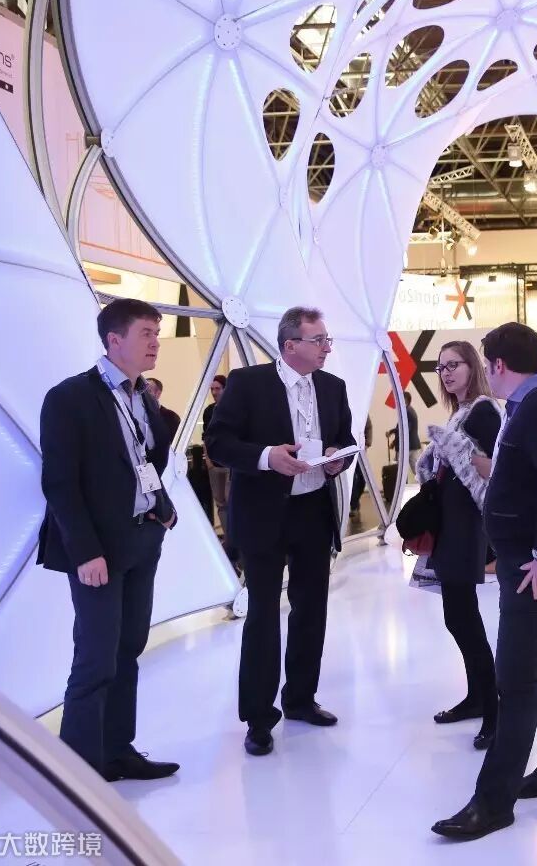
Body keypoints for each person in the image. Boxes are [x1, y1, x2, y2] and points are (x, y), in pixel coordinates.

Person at [432, 322, 537, 841]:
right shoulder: (527, 405)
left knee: (515, 682)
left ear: (497, 365)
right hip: (530, 564)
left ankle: (493, 802)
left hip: (535, 571)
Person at [37, 298, 179, 781]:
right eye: (146, 333)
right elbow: (60, 483)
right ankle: (76, 774)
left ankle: (117, 751)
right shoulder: (69, 397)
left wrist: (163, 509)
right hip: (98, 550)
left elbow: (147, 462)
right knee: (96, 657)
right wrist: (85, 552)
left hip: (142, 540)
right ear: (114, 340)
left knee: (129, 648)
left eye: (157, 333)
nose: (156, 342)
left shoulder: (143, 396)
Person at [204, 307, 355, 757]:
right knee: (264, 615)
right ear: (290, 345)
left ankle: (301, 699)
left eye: (327, 340)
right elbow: (218, 443)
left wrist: (337, 458)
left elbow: (346, 439)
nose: (326, 348)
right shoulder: (248, 383)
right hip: (264, 513)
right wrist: (267, 456)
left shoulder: (333, 387)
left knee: (311, 610)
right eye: (318, 340)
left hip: (313, 510)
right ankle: (258, 718)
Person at [418, 341, 503, 751]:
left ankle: (493, 710)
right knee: (458, 617)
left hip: (466, 527)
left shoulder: (483, 410)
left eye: (454, 365)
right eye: (441, 367)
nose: (447, 373)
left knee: (463, 619)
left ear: (473, 366)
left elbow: (497, 468)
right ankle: (477, 698)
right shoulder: (462, 411)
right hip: (450, 525)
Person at [203, 374, 229, 537]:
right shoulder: (209, 411)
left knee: (232, 502)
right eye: (212, 389)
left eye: (217, 388)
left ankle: (236, 541)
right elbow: (206, 437)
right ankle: (228, 538)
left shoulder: (234, 408)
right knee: (220, 503)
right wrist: (208, 460)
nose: (214, 392)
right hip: (215, 464)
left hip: (230, 465)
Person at [145, 377, 181, 442]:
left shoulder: (171, 417)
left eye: (148, 391)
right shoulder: (136, 413)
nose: (143, 394)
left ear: (158, 394)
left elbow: (175, 442)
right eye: (142, 391)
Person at [404, 391, 421, 477]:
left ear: (405, 400)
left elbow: (406, 429)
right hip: (412, 444)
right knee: (415, 468)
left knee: (402, 469)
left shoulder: (407, 412)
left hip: (409, 445)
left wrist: (395, 441)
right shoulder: (410, 410)